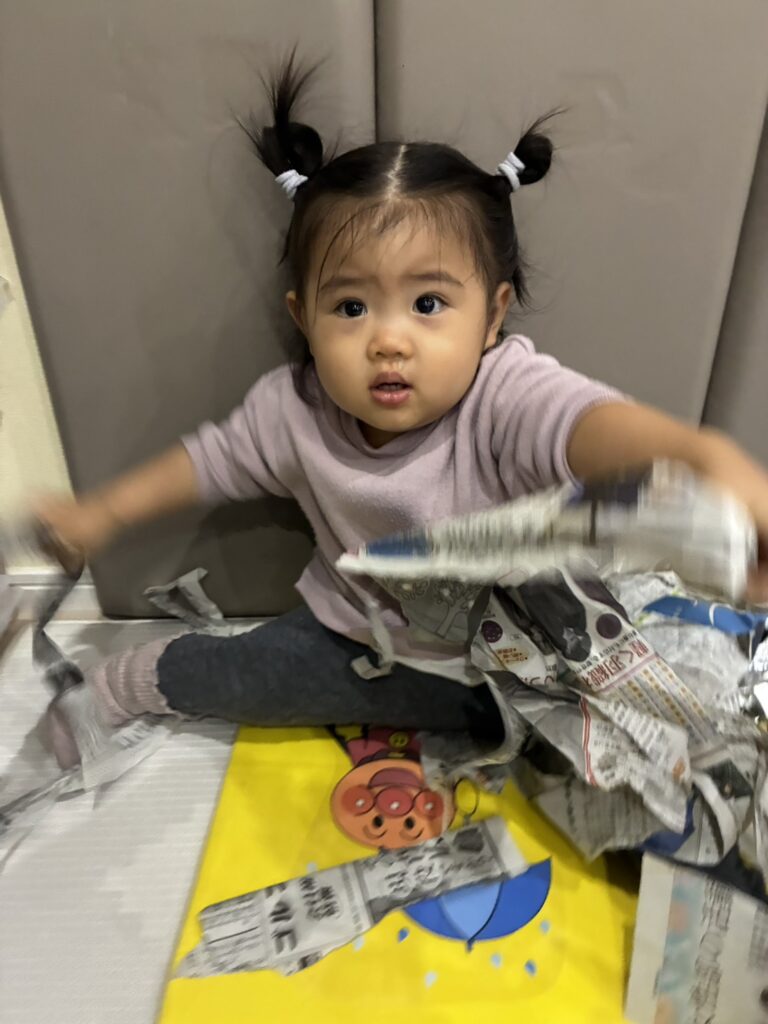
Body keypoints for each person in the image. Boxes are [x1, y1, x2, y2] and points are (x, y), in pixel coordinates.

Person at [34, 55, 768, 769]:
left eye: (429, 303)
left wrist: (701, 463)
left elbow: (586, 426)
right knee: (245, 674)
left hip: (531, 653)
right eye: (351, 307)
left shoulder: (502, 393)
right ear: (303, 317)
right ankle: (130, 682)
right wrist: (100, 514)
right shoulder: (292, 409)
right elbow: (206, 462)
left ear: (492, 316)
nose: (389, 340)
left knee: (675, 734)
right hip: (362, 645)